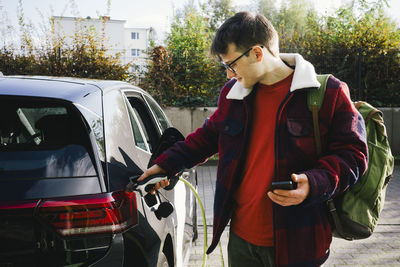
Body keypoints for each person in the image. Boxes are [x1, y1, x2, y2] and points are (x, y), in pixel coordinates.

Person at [139, 12, 368, 267]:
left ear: (257, 53)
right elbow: (207, 137)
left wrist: (314, 183)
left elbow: (354, 156)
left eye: (231, 65)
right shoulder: (233, 94)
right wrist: (166, 164)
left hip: (298, 245)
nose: (228, 75)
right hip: (242, 241)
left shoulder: (327, 93)